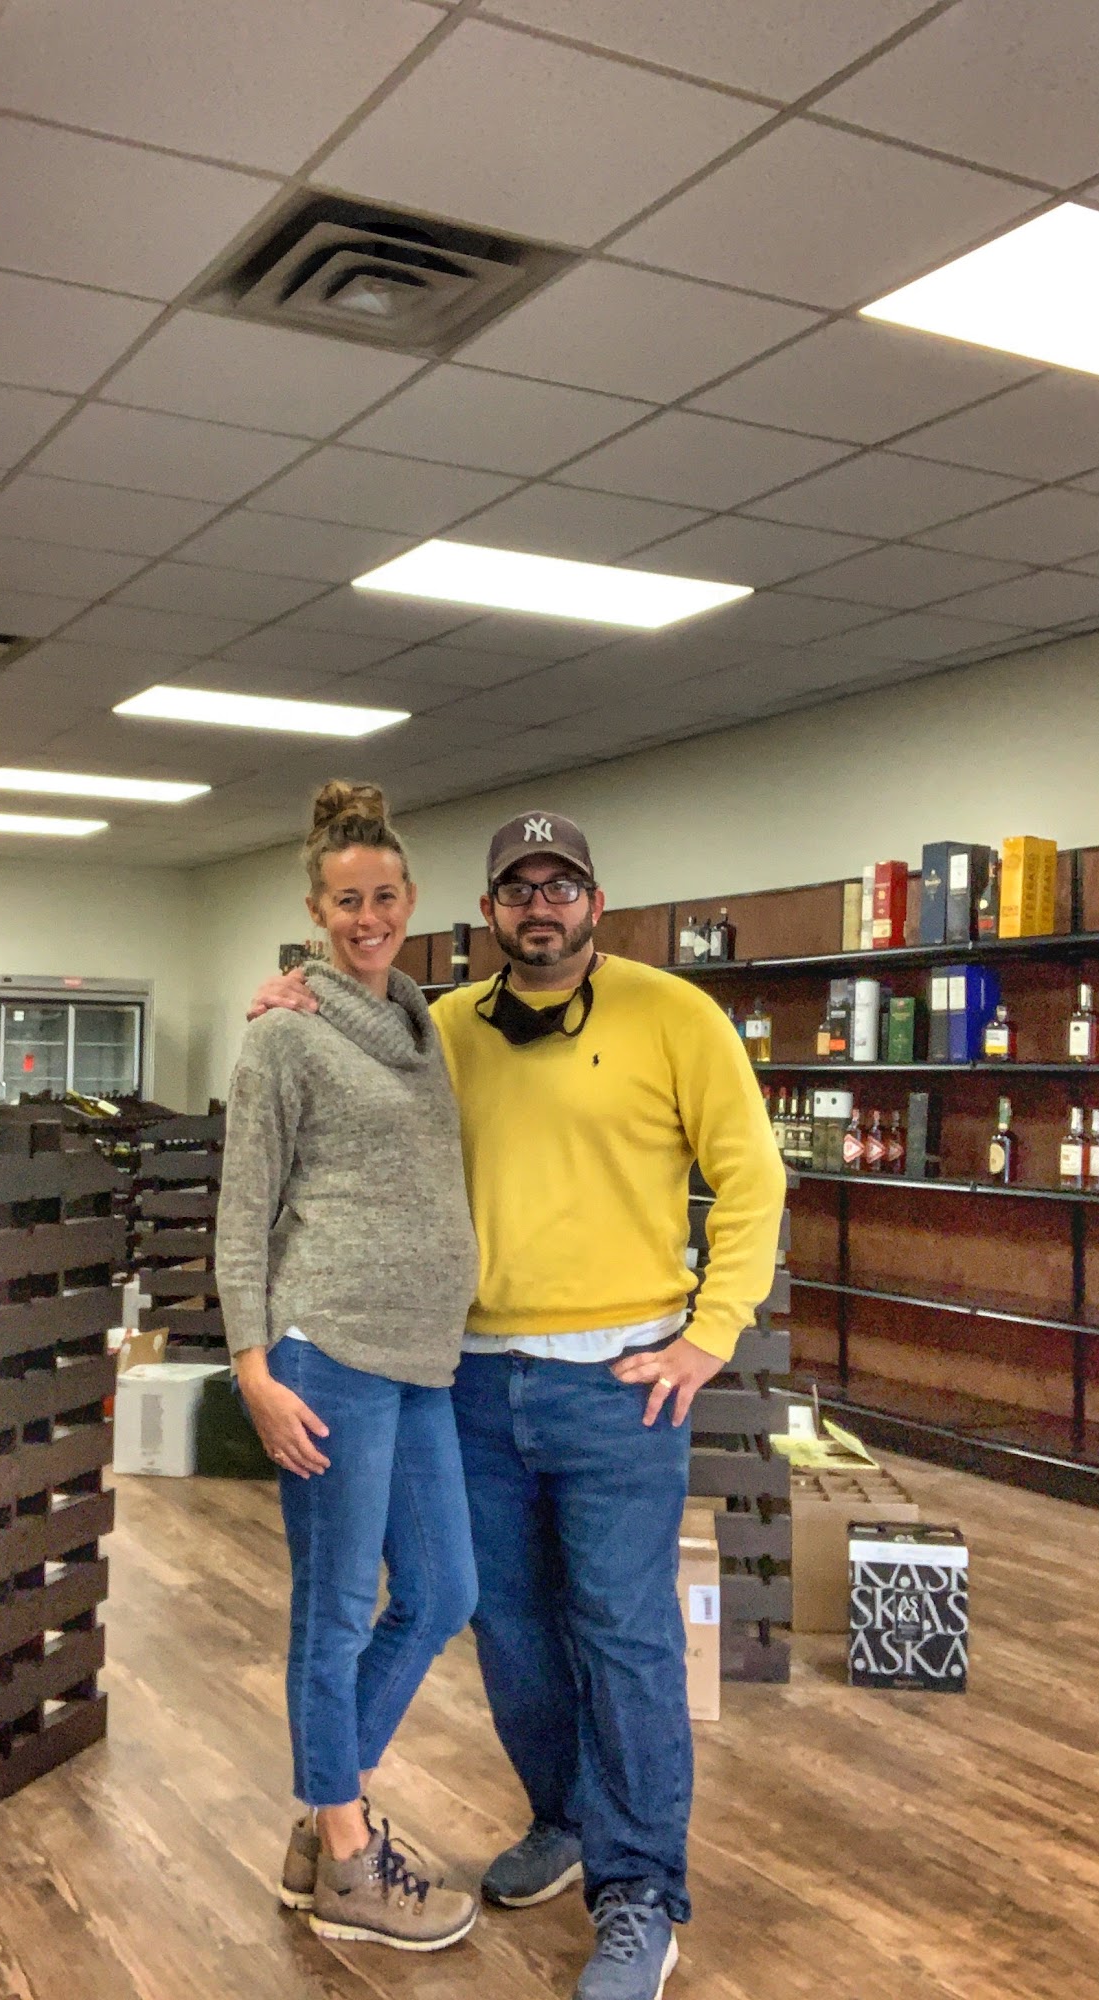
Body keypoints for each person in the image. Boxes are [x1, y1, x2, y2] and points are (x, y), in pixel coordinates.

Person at [249, 808, 786, 2000]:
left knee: (625, 1632)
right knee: (508, 1626)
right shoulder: (440, 1028)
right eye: (518, 888)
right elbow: (342, 1059)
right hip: (473, 1378)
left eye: (562, 885)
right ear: (488, 909)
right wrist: (293, 996)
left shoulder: (675, 1015)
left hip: (621, 1385)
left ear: (596, 900)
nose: (541, 906)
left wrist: (711, 1333)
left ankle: (640, 1891)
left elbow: (752, 1178)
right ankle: (567, 1816)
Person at [215, 781, 482, 1954]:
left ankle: (329, 1807)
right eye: (346, 900)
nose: (367, 916)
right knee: (333, 1611)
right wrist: (251, 1365)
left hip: (423, 1357)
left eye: (384, 896)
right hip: (325, 1353)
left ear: (410, 900)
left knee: (444, 1590)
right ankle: (345, 1851)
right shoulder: (284, 1034)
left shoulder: (426, 1028)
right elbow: (241, 1211)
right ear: (315, 911)